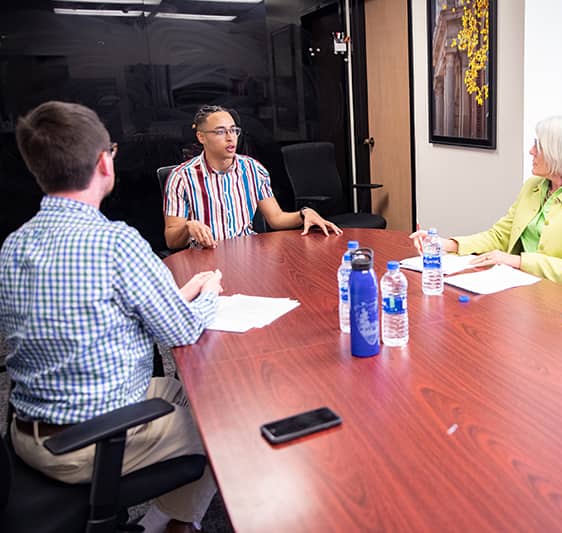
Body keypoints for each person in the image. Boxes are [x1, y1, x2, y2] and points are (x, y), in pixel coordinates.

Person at [0, 101, 222, 533]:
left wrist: (181, 293)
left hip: (27, 433)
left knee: (180, 390)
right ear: (105, 162)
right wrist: (208, 293)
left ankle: (172, 517)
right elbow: (183, 329)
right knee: (223, 424)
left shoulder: (14, 244)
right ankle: (173, 524)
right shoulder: (115, 242)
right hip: (87, 441)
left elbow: (93, 311)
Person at [410, 112, 562, 297]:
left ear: (559, 153)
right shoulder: (533, 187)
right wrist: (447, 245)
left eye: (539, 146)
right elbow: (500, 236)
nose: (531, 151)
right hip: (526, 291)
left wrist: (516, 261)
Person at [163, 104, 342, 249]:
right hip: (206, 257)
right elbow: (172, 240)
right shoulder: (181, 177)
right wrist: (188, 227)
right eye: (220, 132)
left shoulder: (252, 169)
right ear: (201, 137)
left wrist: (304, 214)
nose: (230, 137)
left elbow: (276, 218)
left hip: (247, 254)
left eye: (233, 130)